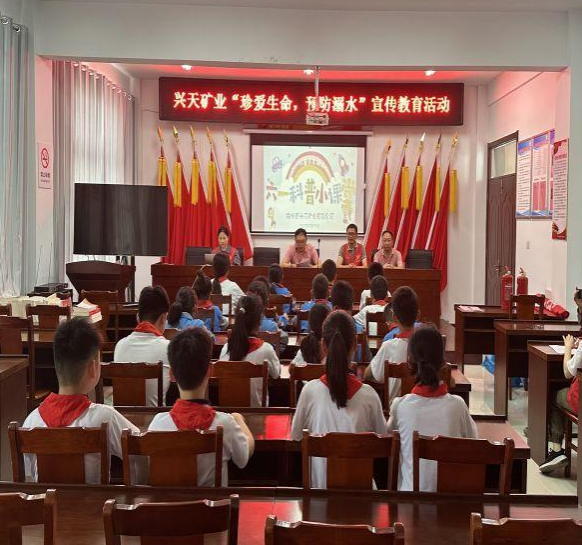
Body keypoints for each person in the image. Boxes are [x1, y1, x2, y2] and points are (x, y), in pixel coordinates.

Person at [23, 318, 139, 483]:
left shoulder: (30, 422)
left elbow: (29, 477)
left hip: (45, 500)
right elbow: (142, 450)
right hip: (94, 501)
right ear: (93, 368)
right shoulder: (105, 418)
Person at [291, 310, 387, 488]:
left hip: (319, 497)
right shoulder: (370, 396)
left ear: (323, 346)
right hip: (363, 497)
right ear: (355, 345)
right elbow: (383, 441)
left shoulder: (309, 392)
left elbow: (295, 436)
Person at [147, 328, 254, 486]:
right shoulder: (225, 424)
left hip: (169, 502)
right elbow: (243, 459)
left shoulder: (157, 425)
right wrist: (239, 420)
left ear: (172, 375)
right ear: (210, 371)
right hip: (212, 504)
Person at [387, 326, 478, 491]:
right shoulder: (457, 406)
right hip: (448, 502)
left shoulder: (400, 406)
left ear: (409, 360)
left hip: (409, 503)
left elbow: (388, 440)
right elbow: (473, 446)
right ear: (443, 362)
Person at [539, 291, 582, 474]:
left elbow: (567, 372)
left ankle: (556, 450)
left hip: (579, 401)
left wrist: (567, 349)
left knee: (554, 396)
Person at [219, 294, 281, 407]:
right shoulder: (266, 349)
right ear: (259, 321)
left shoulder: (225, 349)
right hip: (257, 414)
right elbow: (276, 374)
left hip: (229, 414)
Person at [114, 286, 171, 406]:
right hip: (155, 417)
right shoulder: (168, 348)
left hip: (122, 417)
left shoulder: (120, 346)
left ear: (138, 317)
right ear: (163, 318)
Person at [364, 287, 419, 405]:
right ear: (417, 314)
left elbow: (367, 374)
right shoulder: (427, 345)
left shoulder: (388, 346)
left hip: (394, 411)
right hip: (422, 410)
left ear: (394, 317)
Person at [247, 279, 288, 353]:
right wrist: (274, 352)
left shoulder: (238, 324)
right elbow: (284, 339)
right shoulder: (272, 326)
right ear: (267, 302)